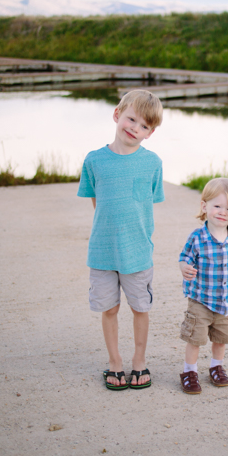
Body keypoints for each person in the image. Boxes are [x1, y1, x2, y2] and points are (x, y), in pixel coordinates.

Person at [77, 90, 164, 391]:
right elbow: (95, 200)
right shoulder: (94, 160)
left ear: (150, 133)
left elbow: (147, 203)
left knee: (141, 308)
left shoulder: (152, 163)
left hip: (138, 251)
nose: (134, 128)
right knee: (109, 309)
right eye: (131, 119)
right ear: (117, 115)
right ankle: (115, 362)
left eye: (143, 126)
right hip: (102, 252)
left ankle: (139, 361)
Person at [178, 177, 228, 395]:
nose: (223, 212)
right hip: (200, 300)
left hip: (225, 301)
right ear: (204, 207)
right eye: (217, 206)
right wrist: (184, 268)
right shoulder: (197, 238)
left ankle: (216, 366)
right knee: (195, 338)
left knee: (221, 338)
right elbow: (184, 258)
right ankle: (190, 371)